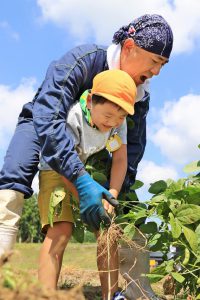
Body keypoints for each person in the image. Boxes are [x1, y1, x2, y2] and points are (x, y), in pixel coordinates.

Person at [0, 14, 173, 300]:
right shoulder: (82, 60)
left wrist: (115, 194)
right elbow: (49, 117)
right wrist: (81, 182)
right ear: (129, 46)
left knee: (115, 216)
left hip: (96, 144)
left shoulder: (139, 95)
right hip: (47, 123)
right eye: (154, 61)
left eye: (162, 65)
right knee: (15, 180)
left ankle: (132, 287)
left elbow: (129, 150)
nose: (156, 71)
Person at [37, 69, 136, 300]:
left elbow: (120, 159)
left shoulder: (118, 124)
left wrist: (111, 193)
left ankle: (110, 296)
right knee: (61, 228)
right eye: (109, 116)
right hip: (55, 168)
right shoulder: (74, 118)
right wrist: (86, 196)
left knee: (107, 228)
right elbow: (64, 162)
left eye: (120, 118)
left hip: (82, 171)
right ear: (91, 102)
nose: (112, 123)